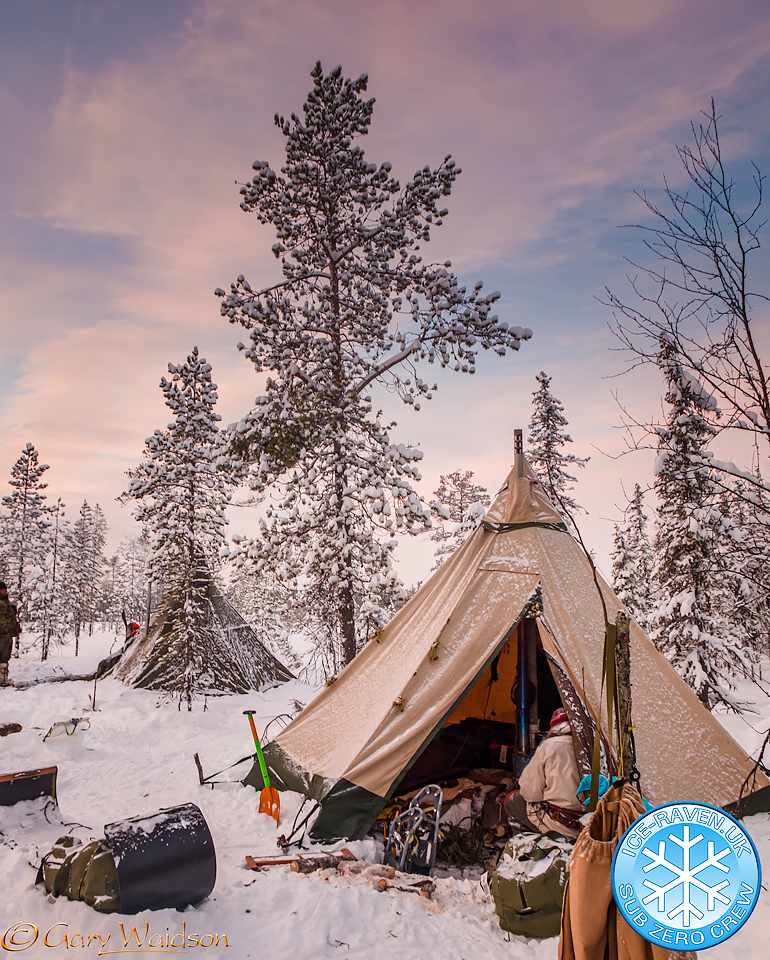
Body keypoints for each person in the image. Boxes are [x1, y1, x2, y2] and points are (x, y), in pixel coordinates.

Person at [505, 707, 583, 838]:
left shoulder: (549, 745)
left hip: (559, 825)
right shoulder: (592, 747)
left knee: (513, 800)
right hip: (589, 826)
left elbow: (529, 793)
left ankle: (528, 847)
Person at [0, 581, 21, 687]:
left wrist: (15, 628)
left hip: (6, 635)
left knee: (4, 657)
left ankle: (2, 679)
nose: (5, 591)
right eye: (3, 589)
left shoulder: (6, 603)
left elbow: (11, 618)